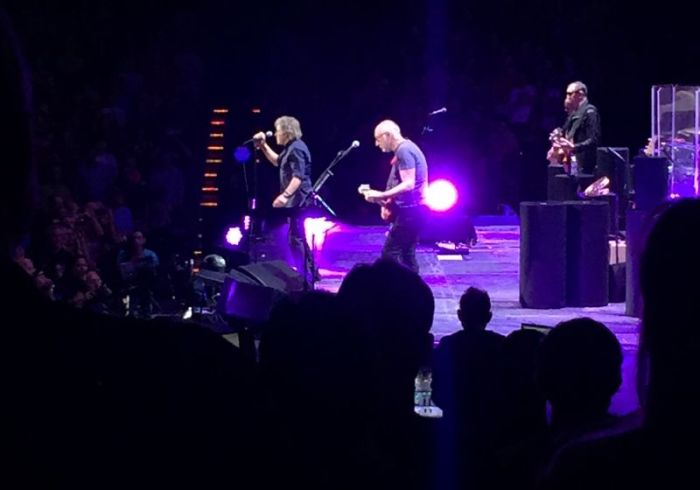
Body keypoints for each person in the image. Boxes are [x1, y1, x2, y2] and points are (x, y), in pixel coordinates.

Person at [253, 116, 317, 284]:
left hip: (300, 200)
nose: (275, 134)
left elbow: (298, 177)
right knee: (297, 237)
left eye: (278, 131)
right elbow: (277, 161)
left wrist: (285, 195)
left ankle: (306, 276)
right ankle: (310, 273)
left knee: (296, 239)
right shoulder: (291, 148)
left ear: (287, 132)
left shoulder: (296, 149)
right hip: (297, 200)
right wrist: (263, 146)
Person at [361, 119, 428, 273]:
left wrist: (381, 195)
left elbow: (409, 184)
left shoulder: (404, 150)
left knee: (389, 255)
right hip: (415, 211)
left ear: (387, 135)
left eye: (378, 139)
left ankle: (392, 286)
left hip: (411, 212)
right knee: (406, 254)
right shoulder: (407, 148)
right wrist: (379, 199)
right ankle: (412, 285)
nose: (376, 144)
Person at [547, 81, 601, 175]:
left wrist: (574, 147)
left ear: (580, 94)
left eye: (569, 94)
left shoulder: (590, 112)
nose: (567, 98)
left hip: (585, 165)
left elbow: (593, 140)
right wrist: (557, 134)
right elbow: (564, 129)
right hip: (573, 164)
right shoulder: (574, 114)